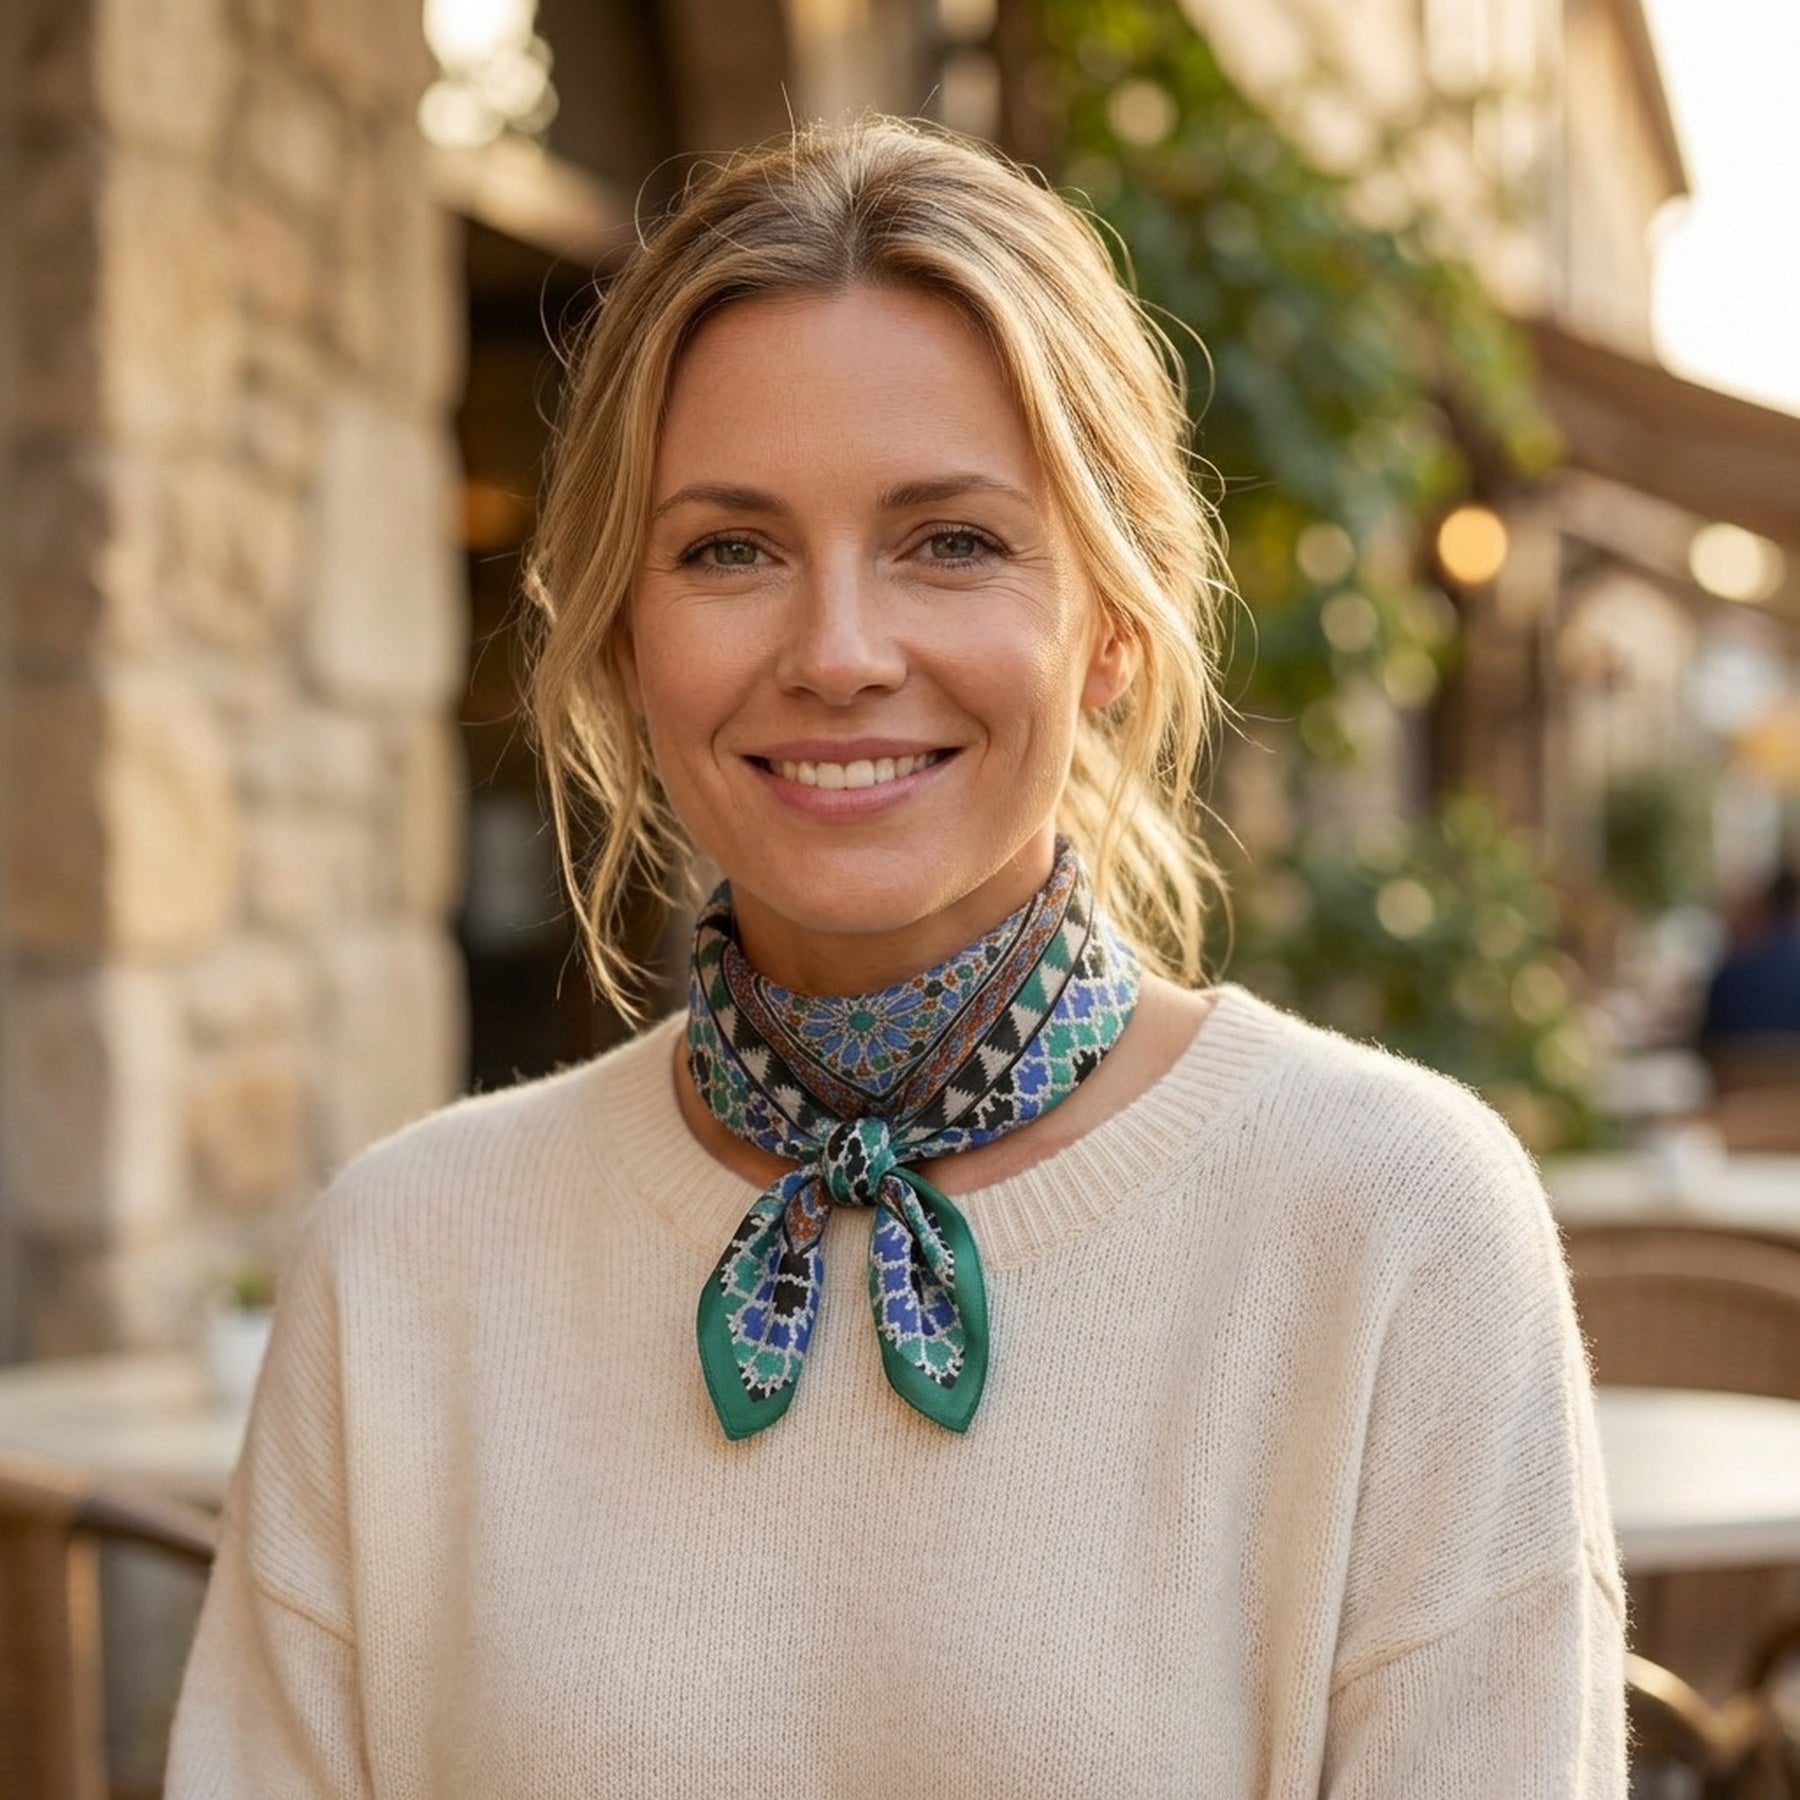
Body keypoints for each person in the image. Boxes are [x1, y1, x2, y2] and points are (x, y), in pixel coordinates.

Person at [167, 118, 1624, 1795]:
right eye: (730, 549)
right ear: (626, 636)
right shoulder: (401, 1266)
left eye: (952, 540)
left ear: (1114, 621)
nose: (840, 653)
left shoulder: (1390, 1226)